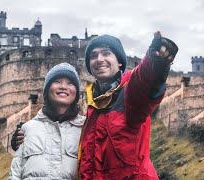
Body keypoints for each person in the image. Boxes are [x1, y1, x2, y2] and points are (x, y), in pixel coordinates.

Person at [11, 32, 178, 179]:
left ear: (119, 62)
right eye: (93, 55)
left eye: (106, 53)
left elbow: (144, 81)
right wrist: (26, 137)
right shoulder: (90, 115)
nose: (99, 59)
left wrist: (156, 62)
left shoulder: (128, 94)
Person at [9, 63, 85, 179]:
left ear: (77, 93)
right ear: (47, 90)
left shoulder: (86, 128)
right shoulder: (27, 129)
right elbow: (15, 173)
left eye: (70, 83)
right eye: (57, 82)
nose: (63, 86)